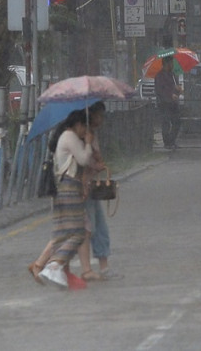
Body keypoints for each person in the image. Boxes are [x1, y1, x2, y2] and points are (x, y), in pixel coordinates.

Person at [37, 110, 94, 289]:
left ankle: (54, 267)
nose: (86, 131)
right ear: (77, 124)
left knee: (63, 233)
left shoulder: (65, 136)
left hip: (64, 188)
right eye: (85, 127)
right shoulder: (70, 137)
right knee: (77, 233)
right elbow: (84, 159)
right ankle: (54, 265)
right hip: (69, 188)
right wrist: (89, 143)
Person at [79, 101, 123, 281]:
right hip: (82, 188)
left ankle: (103, 266)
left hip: (92, 187)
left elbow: (94, 158)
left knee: (100, 228)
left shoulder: (92, 134)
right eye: (99, 115)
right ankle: (82, 268)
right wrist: (94, 161)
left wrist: (98, 162)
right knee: (87, 228)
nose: (102, 119)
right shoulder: (81, 135)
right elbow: (82, 160)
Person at [154, 55, 182, 149]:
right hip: (164, 103)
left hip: (173, 103)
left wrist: (178, 89)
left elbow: (174, 86)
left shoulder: (173, 75)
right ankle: (167, 143)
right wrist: (170, 94)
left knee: (177, 122)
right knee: (166, 122)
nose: (173, 65)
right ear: (167, 63)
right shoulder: (159, 76)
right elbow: (160, 90)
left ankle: (172, 140)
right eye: (171, 63)